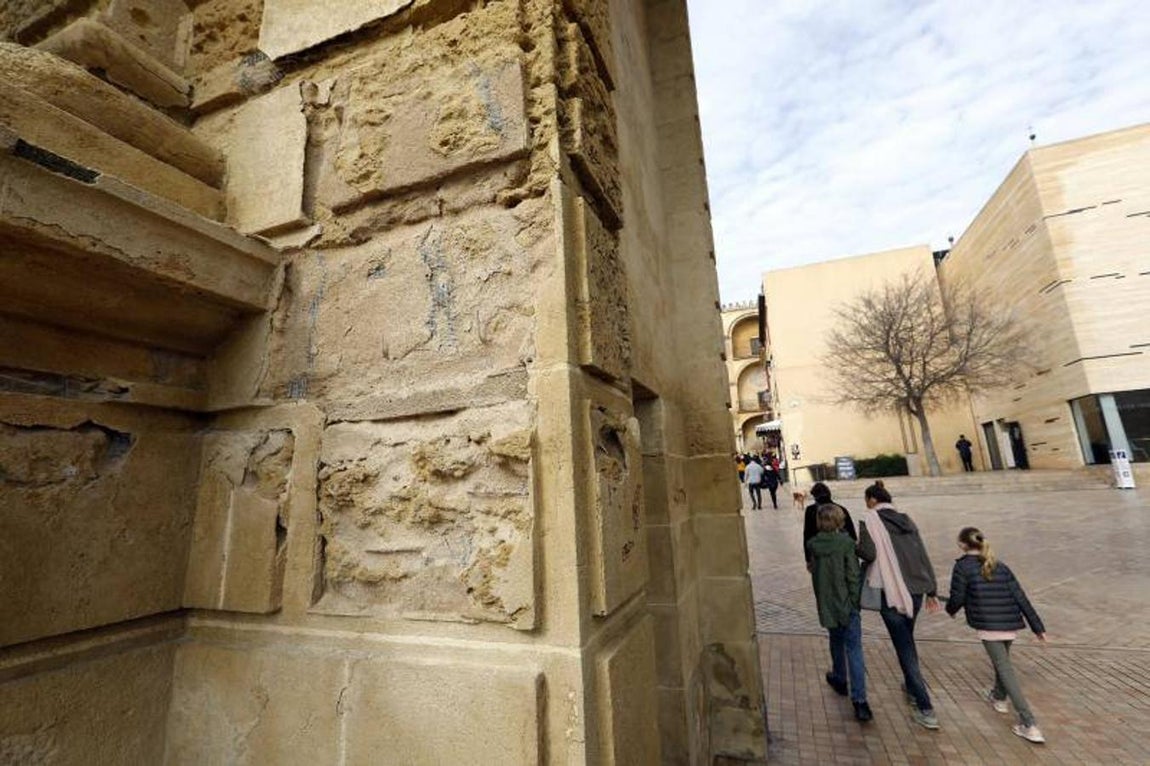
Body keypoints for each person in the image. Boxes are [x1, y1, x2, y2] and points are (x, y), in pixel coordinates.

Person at [946, 527, 1047, 744]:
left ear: (963, 545)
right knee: (1003, 662)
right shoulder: (1000, 566)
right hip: (1009, 622)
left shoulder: (962, 567)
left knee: (1004, 667)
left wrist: (951, 610)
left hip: (988, 623)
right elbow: (1021, 597)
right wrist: (1037, 627)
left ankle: (1029, 723)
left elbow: (957, 596)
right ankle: (999, 697)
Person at [857, 480, 942, 730]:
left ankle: (925, 707)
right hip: (915, 589)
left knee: (904, 648)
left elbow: (869, 554)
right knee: (908, 639)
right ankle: (910, 683)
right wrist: (932, 588)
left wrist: (857, 548)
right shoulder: (907, 520)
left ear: (872, 500)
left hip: (891, 591)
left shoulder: (870, 521)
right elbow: (922, 553)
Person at [807, 504, 875, 722]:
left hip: (827, 604)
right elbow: (853, 575)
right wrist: (855, 601)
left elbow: (816, 576)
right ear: (839, 521)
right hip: (847, 603)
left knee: (835, 640)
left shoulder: (814, 545)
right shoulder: (846, 544)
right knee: (854, 649)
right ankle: (860, 701)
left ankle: (839, 677)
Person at [803, 482, 858, 562]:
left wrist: (808, 559)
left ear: (814, 496)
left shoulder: (811, 510)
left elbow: (807, 535)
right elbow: (852, 535)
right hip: (841, 553)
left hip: (819, 556)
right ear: (829, 494)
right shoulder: (841, 509)